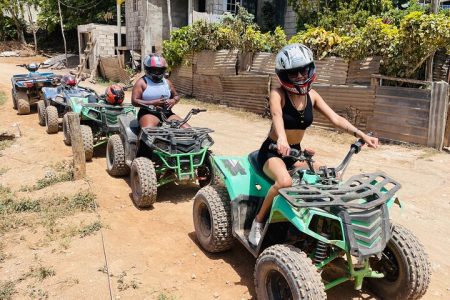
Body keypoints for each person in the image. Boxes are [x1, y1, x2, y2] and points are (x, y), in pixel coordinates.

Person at [248, 43, 379, 246]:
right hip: (273, 151)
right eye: (294, 73)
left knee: (331, 175)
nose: (300, 75)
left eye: (304, 70)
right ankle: (258, 222)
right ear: (284, 75)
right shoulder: (278, 93)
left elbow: (336, 119)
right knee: (284, 182)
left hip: (295, 153)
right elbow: (277, 116)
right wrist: (281, 138)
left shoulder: (312, 95)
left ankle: (327, 223)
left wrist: (362, 135)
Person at [131, 53, 188, 128]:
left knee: (188, 130)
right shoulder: (142, 82)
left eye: (160, 70)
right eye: (154, 70)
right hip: (148, 113)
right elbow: (134, 101)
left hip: (167, 113)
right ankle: (138, 140)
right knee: (149, 132)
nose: (157, 72)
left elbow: (176, 96)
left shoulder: (167, 82)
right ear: (147, 69)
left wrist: (173, 100)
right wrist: (153, 103)